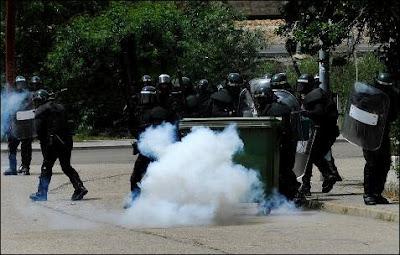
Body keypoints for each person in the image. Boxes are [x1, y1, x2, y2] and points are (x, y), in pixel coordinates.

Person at [125, 79, 178, 209]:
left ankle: (166, 202)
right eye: (143, 96)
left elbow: (160, 132)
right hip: (145, 150)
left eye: (147, 97)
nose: (145, 99)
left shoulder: (159, 111)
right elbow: (136, 130)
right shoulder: (141, 111)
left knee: (159, 177)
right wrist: (130, 118)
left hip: (157, 150)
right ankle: (135, 200)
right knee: (135, 176)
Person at [29, 89, 88, 201]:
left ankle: (42, 193)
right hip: (67, 140)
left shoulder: (40, 110)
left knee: (46, 167)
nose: (36, 103)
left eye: (37, 101)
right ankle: (79, 187)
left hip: (52, 143)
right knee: (66, 166)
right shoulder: (61, 107)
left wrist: (42, 142)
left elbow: (39, 131)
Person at [253, 81, 305, 204]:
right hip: (275, 146)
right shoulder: (267, 107)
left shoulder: (277, 109)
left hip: (283, 145)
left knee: (283, 171)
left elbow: (282, 130)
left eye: (261, 98)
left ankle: (294, 195)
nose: (259, 101)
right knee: (277, 171)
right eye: (258, 99)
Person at [296, 74, 339, 196]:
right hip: (324, 130)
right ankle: (328, 175)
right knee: (314, 156)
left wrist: (306, 113)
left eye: (303, 85)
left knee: (309, 157)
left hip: (322, 131)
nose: (301, 88)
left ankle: (307, 185)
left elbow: (319, 113)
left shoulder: (316, 95)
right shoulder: (317, 94)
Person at [362, 73, 399, 205]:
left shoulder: (392, 97)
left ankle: (377, 193)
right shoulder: (368, 96)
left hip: (383, 134)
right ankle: (369, 194)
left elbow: (394, 115)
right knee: (372, 163)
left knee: (384, 163)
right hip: (369, 134)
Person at [4, 76, 33, 176]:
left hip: (26, 126)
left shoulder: (30, 95)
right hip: (15, 125)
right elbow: (8, 110)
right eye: (19, 83)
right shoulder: (12, 96)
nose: (21, 85)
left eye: (22, 83)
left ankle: (25, 167)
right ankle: (12, 168)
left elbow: (33, 110)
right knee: (12, 147)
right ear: (16, 85)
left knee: (26, 148)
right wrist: (7, 125)